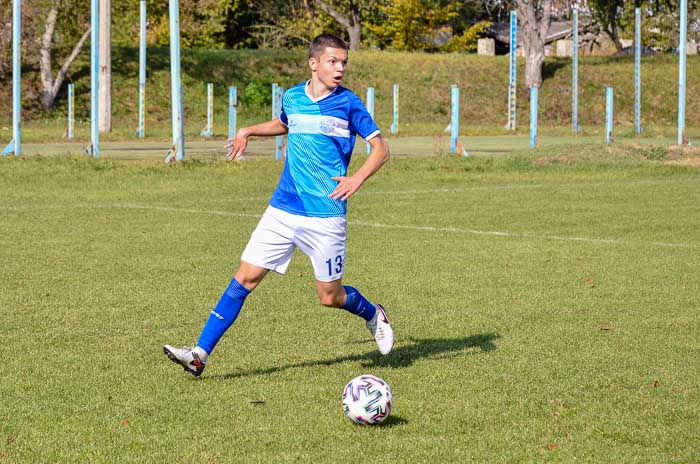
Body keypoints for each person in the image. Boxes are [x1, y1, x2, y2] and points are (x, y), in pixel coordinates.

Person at [163, 34, 393, 377]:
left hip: (326, 214)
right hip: (283, 209)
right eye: (333, 61)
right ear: (313, 63)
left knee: (329, 296)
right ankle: (199, 355)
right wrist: (248, 130)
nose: (340, 67)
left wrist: (356, 178)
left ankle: (373, 314)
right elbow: (286, 123)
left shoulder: (349, 104)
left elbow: (381, 149)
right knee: (245, 278)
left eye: (344, 62)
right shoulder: (294, 96)